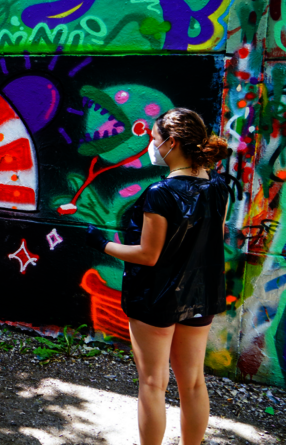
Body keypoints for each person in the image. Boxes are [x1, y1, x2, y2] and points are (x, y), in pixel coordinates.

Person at [84, 107, 230, 445]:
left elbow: (149, 255)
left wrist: (101, 244)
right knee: (193, 382)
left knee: (152, 383)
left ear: (172, 142)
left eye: (154, 138)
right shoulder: (219, 187)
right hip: (199, 295)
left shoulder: (160, 193)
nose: (151, 145)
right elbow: (214, 238)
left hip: (155, 297)